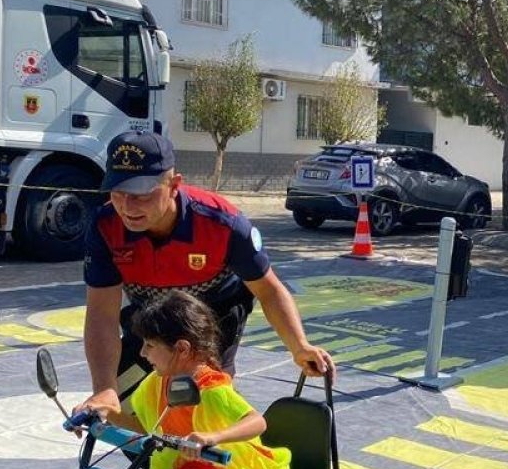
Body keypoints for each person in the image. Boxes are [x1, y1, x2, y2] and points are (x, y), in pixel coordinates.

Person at [75, 130, 335, 418]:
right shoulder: (105, 226)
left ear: (174, 185)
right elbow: (101, 314)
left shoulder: (223, 223)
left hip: (212, 317)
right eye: (118, 193)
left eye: (142, 195)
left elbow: (269, 291)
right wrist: (104, 388)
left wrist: (299, 347)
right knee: (121, 408)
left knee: (201, 402)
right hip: (152, 317)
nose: (127, 207)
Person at [98, 292, 289, 469]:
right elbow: (144, 427)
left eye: (150, 345)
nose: (142, 353)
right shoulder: (157, 383)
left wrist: (212, 437)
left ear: (182, 349)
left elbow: (257, 422)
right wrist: (105, 413)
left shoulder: (212, 389)